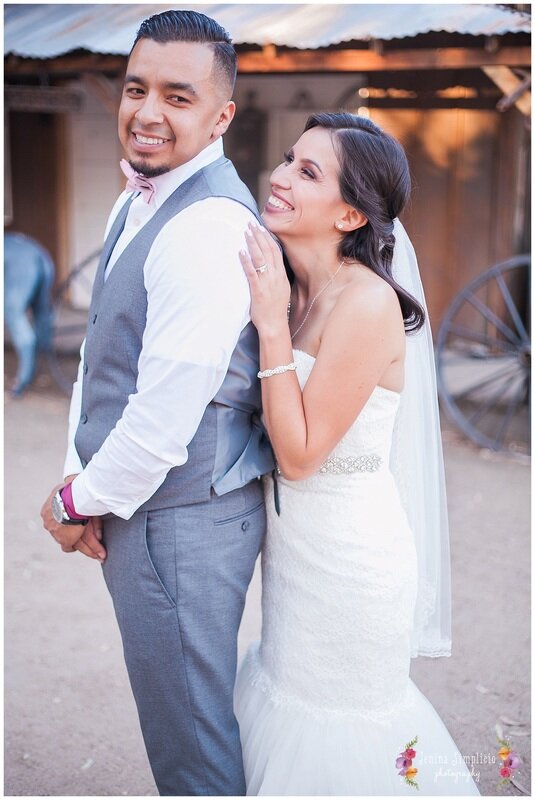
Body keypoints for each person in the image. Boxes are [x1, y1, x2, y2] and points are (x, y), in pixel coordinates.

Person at [40, 10, 274, 796]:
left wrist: (78, 497)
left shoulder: (206, 227)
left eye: (178, 96)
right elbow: (99, 355)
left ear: (221, 115)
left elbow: (163, 416)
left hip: (179, 524)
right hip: (145, 509)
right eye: (136, 88)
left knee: (192, 755)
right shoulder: (133, 200)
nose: (146, 112)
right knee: (179, 731)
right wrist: (82, 468)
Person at [234, 113, 480, 795]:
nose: (279, 176)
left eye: (307, 172)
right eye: (287, 159)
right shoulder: (297, 286)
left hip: (348, 571)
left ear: (349, 213)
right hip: (295, 559)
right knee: (286, 705)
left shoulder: (366, 303)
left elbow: (301, 455)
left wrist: (268, 323)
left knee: (337, 734)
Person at [4, 232, 55, 395]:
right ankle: (37, 367)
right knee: (42, 312)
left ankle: (23, 377)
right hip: (42, 257)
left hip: (21, 263)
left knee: (13, 311)